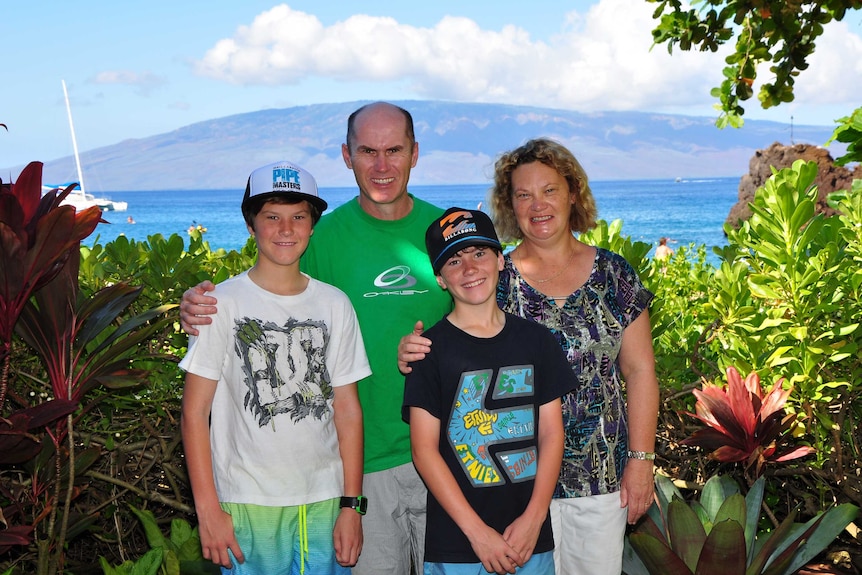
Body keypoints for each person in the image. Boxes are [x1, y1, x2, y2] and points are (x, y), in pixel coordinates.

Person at [179, 102, 454, 574]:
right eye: (368, 150)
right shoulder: (322, 237)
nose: (382, 165)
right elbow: (265, 294)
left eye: (394, 150)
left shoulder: (447, 232)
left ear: (415, 153)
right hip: (360, 469)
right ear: (347, 156)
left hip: (446, 453)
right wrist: (196, 305)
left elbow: (493, 310)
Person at [398, 138, 660, 575]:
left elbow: (640, 370)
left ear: (573, 193)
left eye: (549, 190)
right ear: (509, 205)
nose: (537, 205)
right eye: (523, 194)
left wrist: (641, 461)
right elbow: (454, 347)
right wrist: (412, 350)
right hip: (506, 487)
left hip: (596, 478)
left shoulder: (614, 275)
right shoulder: (492, 275)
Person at [179, 160, 370, 574]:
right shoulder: (219, 305)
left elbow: (348, 409)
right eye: (272, 217)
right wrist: (207, 511)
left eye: (299, 216)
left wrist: (352, 505)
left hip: (325, 499)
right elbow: (195, 413)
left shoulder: (335, 304)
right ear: (251, 225)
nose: (286, 229)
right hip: (248, 503)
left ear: (313, 224)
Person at [404, 208, 576, 575]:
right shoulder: (428, 351)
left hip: (528, 538)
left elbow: (551, 433)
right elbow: (423, 450)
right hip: (457, 544)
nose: (469, 268)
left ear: (501, 260)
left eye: (479, 253)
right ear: (439, 278)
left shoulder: (537, 341)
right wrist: (477, 533)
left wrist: (534, 518)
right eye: (454, 260)